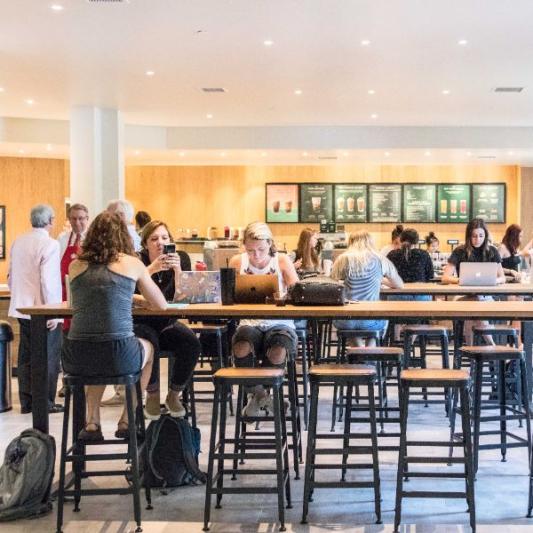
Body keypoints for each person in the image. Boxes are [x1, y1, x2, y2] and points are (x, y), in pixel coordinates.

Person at [62, 212, 167, 441]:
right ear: (123, 237)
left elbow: (76, 302)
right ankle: (128, 419)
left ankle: (91, 421)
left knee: (95, 354)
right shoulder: (132, 264)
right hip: (119, 355)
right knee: (149, 347)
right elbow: (160, 305)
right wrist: (137, 298)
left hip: (75, 356)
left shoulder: (75, 266)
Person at [228, 222, 299, 417]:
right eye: (250, 250)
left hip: (280, 321)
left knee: (278, 351)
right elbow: (227, 295)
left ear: (270, 244)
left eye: (261, 249)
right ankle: (262, 396)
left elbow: (299, 294)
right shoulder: (237, 262)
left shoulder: (282, 260)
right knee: (240, 347)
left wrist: (282, 297)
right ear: (244, 246)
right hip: (249, 321)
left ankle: (258, 397)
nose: (256, 255)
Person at [135, 220, 201, 419]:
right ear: (145, 244)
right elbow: (127, 287)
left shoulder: (181, 257)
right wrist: (151, 269)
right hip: (141, 324)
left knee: (191, 343)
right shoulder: (137, 261)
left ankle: (174, 394)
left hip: (167, 323)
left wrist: (179, 271)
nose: (160, 243)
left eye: (165, 238)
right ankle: (152, 394)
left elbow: (185, 296)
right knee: (150, 342)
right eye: (154, 239)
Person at [8, 204, 63, 414]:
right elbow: (48, 281)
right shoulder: (50, 244)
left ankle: (27, 402)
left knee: (26, 356)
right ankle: (45, 402)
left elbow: (11, 275)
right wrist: (53, 312)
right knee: (48, 357)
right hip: (42, 308)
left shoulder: (19, 241)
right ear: (50, 221)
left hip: (22, 307)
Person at [332, 230, 403, 346]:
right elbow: (399, 285)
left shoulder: (342, 259)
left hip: (346, 320)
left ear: (351, 243)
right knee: (379, 320)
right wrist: (378, 278)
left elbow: (332, 286)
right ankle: (370, 351)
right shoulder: (381, 259)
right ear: (371, 243)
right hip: (371, 319)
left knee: (352, 325)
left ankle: (358, 350)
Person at [442, 218, 505, 344]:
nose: (478, 239)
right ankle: (491, 345)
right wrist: (462, 280)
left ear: (485, 236)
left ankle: (470, 350)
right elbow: (445, 277)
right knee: (474, 304)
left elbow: (502, 277)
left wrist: (493, 280)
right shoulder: (460, 251)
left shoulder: (492, 251)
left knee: (475, 306)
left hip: (486, 297)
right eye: (474, 236)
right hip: (463, 296)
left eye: (481, 236)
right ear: (468, 236)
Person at [58, 203, 90, 330]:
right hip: (64, 291)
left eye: (81, 218)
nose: (77, 222)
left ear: (87, 219)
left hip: (85, 290)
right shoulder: (62, 239)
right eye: (74, 218)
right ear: (69, 220)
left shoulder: (92, 239)